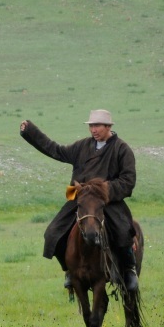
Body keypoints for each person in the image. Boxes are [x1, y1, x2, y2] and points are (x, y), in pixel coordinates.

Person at [19, 109, 139, 292]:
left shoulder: (122, 149)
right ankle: (68, 269)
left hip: (107, 202)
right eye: (91, 126)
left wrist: (105, 190)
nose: (93, 130)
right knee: (52, 234)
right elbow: (56, 150)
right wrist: (30, 132)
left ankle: (129, 270)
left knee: (124, 231)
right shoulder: (81, 146)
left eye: (97, 126)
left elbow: (128, 180)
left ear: (108, 127)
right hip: (79, 199)